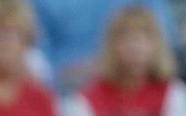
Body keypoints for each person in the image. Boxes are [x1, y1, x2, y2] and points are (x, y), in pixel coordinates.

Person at [30, 0, 177, 94]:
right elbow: (36, 58)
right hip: (65, 91)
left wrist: (110, 64)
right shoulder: (44, 4)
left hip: (137, 85)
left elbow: (163, 42)